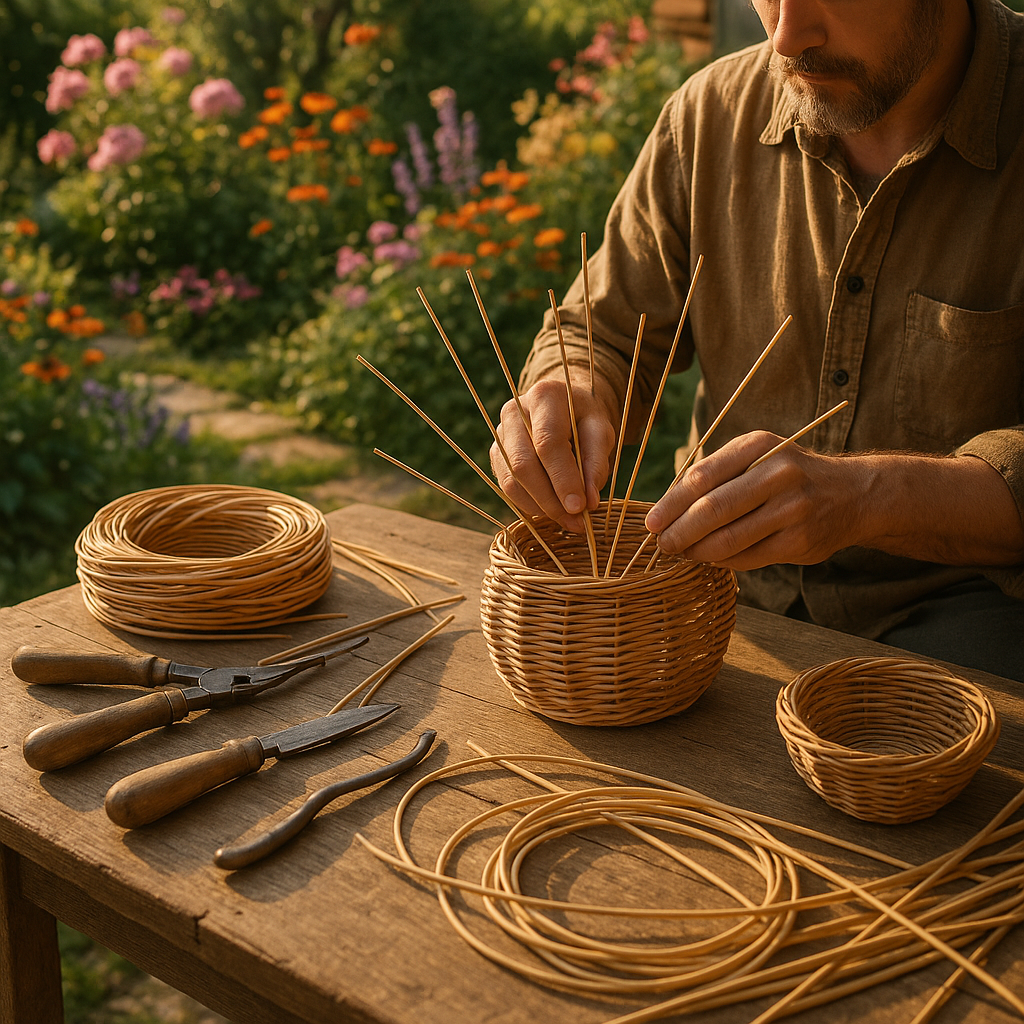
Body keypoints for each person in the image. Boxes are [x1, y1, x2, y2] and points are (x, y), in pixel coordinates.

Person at [491, 0, 1024, 681]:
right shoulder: (709, 113)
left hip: (968, 617)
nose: (784, 36)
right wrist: (570, 386)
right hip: (722, 593)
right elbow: (605, 330)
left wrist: (868, 496)